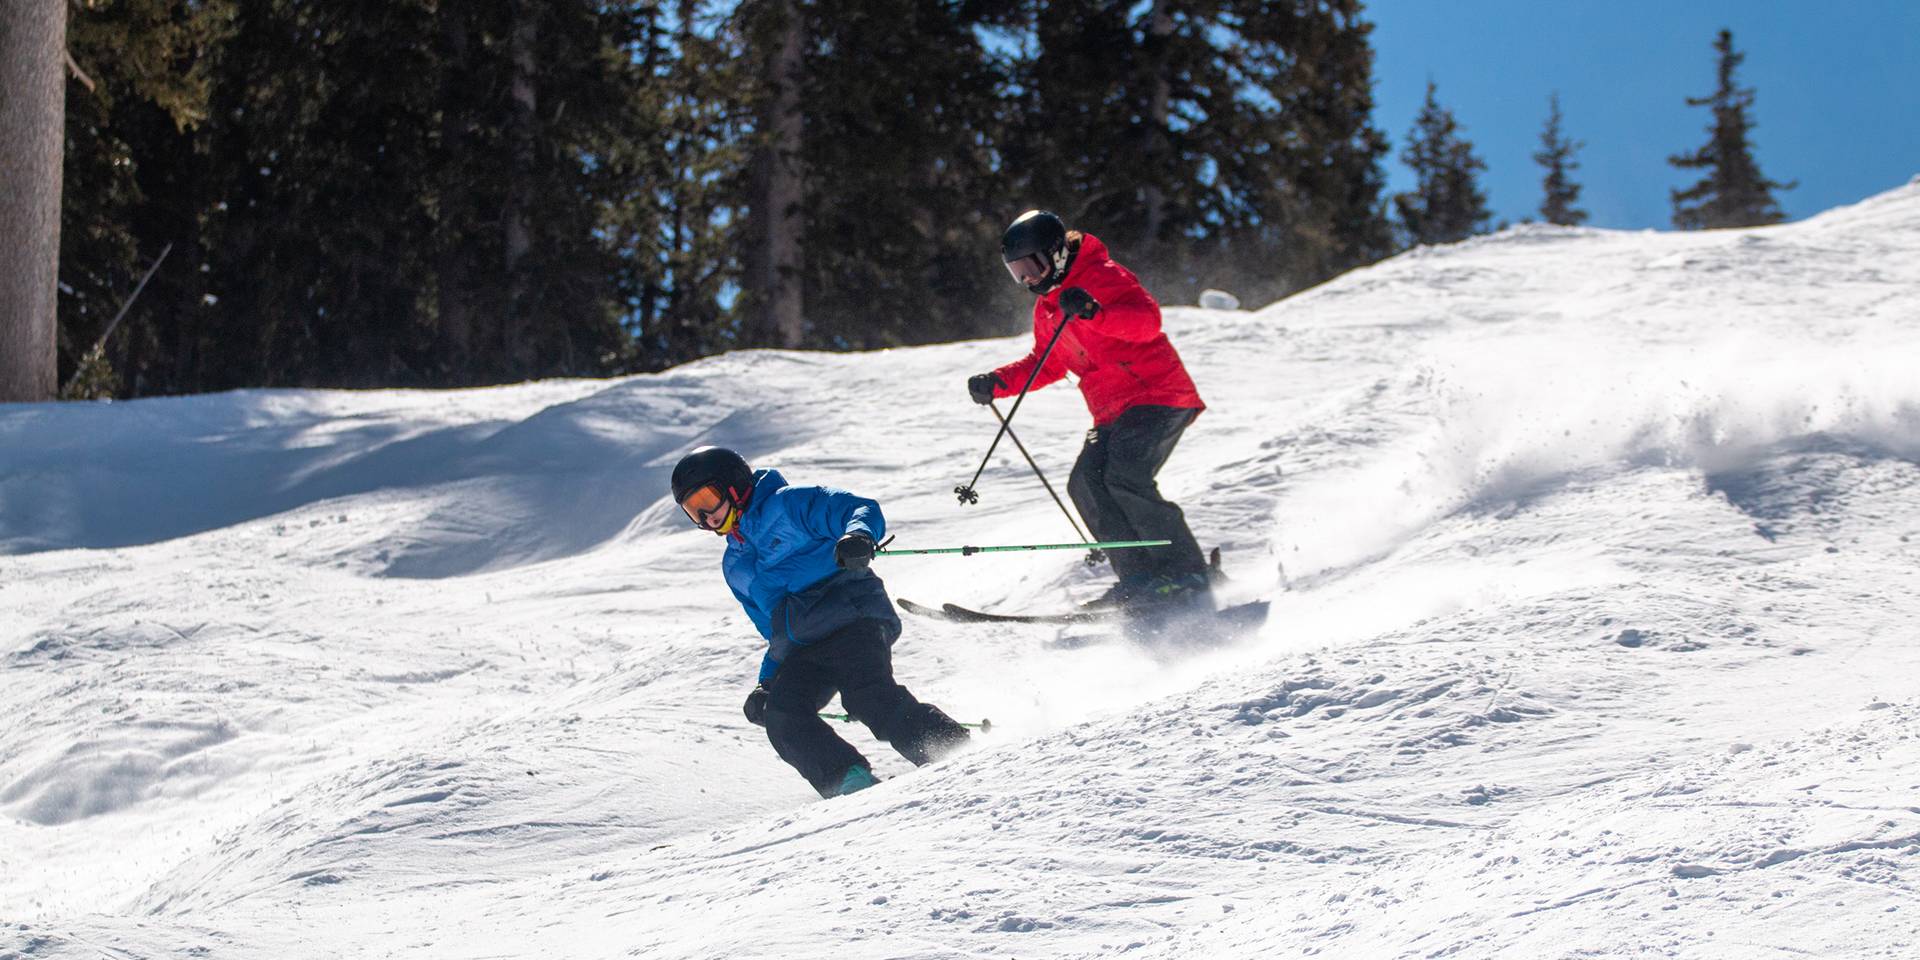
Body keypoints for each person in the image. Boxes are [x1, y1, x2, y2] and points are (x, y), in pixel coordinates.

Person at [670, 446, 972, 799]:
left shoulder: (788, 504)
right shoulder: (735, 566)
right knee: (782, 715)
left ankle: (955, 753)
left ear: (735, 485)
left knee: (867, 696)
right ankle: (848, 783)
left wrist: (858, 536)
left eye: (708, 500)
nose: (705, 517)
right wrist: (766, 683)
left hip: (853, 616)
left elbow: (859, 508)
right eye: (693, 511)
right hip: (805, 647)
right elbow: (773, 630)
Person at [968, 210, 1210, 611]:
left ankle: (1188, 572)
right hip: (1111, 410)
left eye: (1032, 266)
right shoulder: (1047, 307)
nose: (1028, 278)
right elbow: (1047, 362)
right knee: (1086, 482)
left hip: (1158, 395)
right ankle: (1139, 579)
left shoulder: (1104, 275)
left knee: (1125, 475)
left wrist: (1096, 312)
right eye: (1018, 272)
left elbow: (1147, 323)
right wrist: (997, 381)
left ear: (1057, 253)